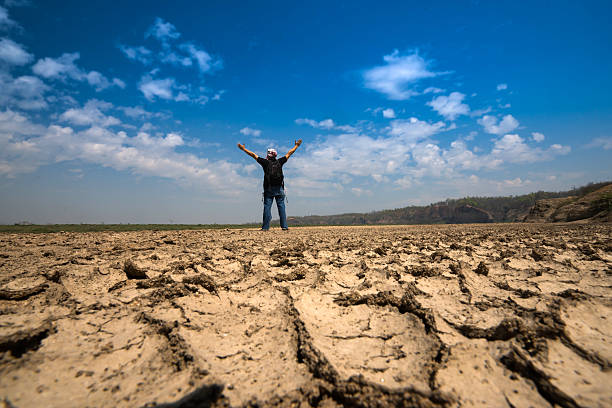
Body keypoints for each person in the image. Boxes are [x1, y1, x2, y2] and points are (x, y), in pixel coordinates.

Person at [237, 140, 302, 230]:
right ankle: (284, 227)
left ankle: (265, 227)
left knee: (267, 208)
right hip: (280, 189)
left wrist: (243, 149)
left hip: (269, 189)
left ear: (268, 155)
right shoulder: (280, 161)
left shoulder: (265, 162)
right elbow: (289, 153)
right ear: (275, 155)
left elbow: (253, 155)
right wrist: (296, 146)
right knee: (281, 208)